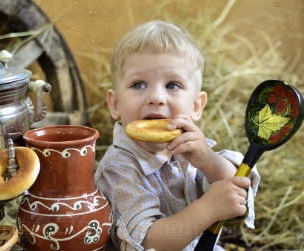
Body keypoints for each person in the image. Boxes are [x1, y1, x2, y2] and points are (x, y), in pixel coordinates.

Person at [95, 20, 260, 251]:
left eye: (172, 85)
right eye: (138, 84)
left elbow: (241, 185)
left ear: (195, 106)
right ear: (115, 104)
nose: (156, 97)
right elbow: (145, 241)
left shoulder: (190, 149)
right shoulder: (119, 167)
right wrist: (208, 209)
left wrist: (209, 161)